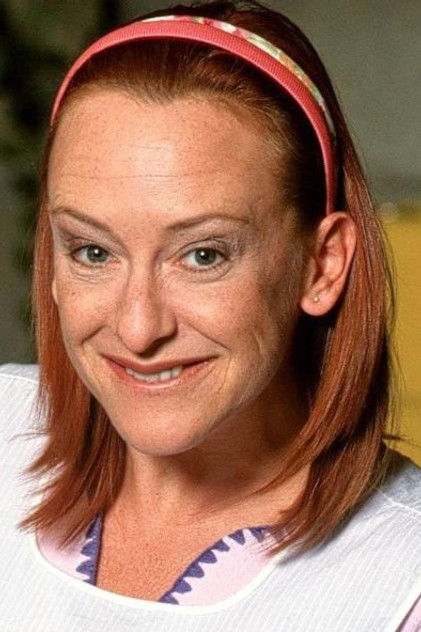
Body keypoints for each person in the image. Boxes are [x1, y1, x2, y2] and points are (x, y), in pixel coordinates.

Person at [1, 1, 420, 630]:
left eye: (203, 255)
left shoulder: (402, 577)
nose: (139, 328)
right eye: (93, 251)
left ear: (323, 265)